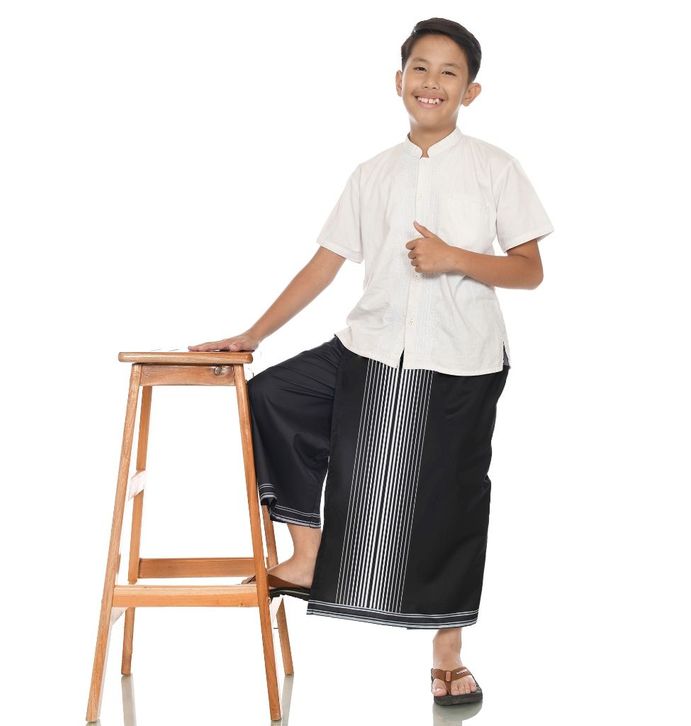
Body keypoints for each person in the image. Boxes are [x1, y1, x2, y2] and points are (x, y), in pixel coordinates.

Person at [189, 17, 553, 707]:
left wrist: (453, 258)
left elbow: (530, 269)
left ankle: (448, 653)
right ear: (399, 80)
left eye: (449, 72)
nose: (432, 82)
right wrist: (253, 333)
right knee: (272, 396)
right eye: (421, 68)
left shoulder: (496, 168)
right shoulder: (372, 173)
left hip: (461, 360)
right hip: (370, 346)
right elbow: (324, 265)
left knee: (449, 503)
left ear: (471, 92)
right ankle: (308, 554)